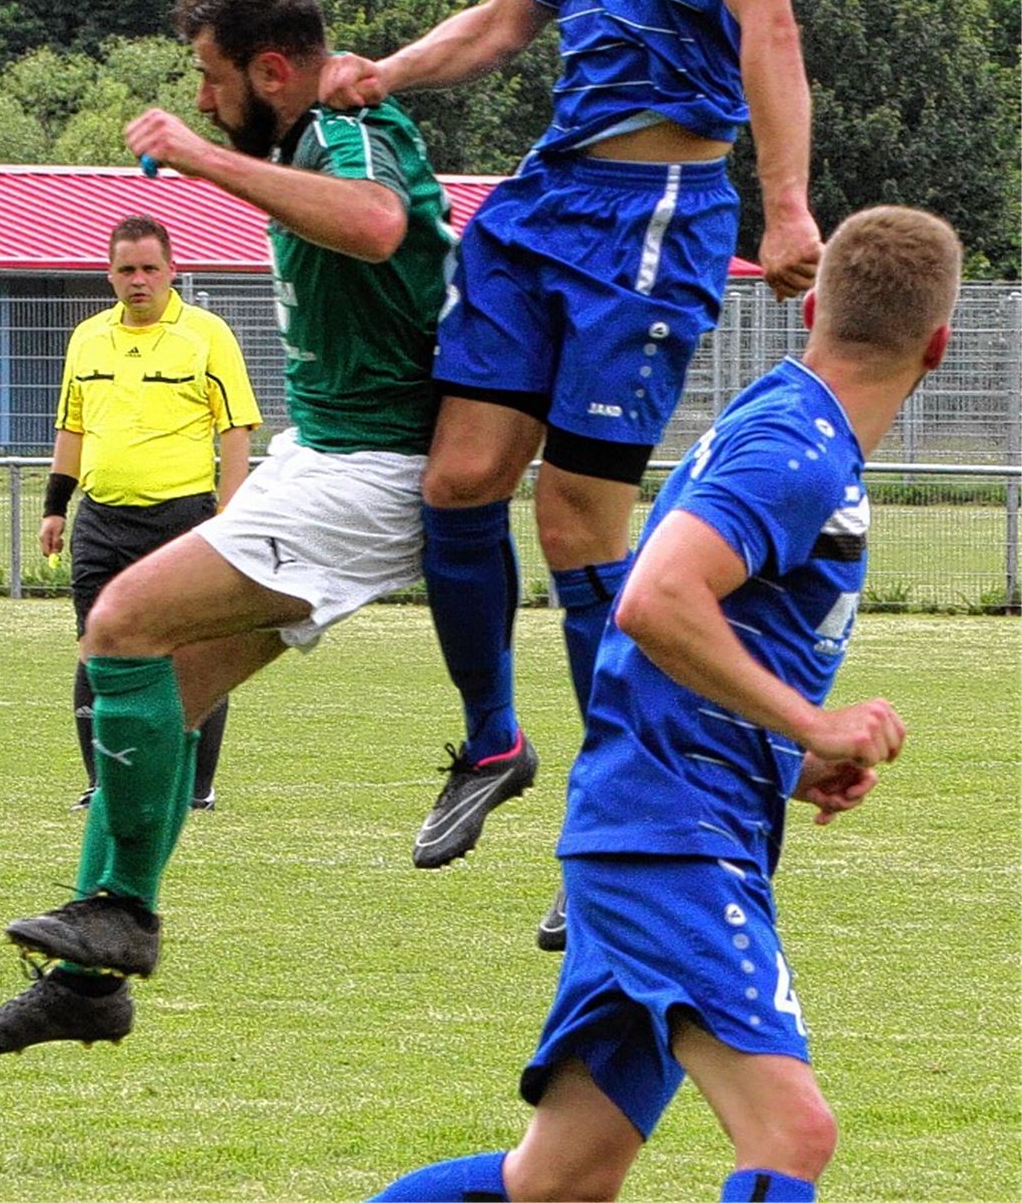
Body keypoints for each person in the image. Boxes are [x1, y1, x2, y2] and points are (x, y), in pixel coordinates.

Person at [321, 0, 822, 949]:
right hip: (545, 209)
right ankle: (494, 743)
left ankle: (623, 820)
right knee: (460, 477)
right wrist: (380, 72)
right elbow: (497, 25)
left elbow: (768, 25)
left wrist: (783, 204)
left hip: (652, 219)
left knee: (582, 522)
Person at [366, 203, 962, 1203]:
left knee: (560, 1178)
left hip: (657, 822)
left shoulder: (790, 425)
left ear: (812, 305)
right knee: (791, 1131)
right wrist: (813, 719)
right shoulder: (797, 448)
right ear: (938, 346)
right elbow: (655, 600)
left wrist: (789, 747)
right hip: (672, 836)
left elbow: (696, 625)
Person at [0, 0, 454, 1058]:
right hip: (328, 459)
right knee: (164, 695)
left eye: (215, 80)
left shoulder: (348, 137)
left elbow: (375, 225)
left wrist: (201, 157)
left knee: (118, 626)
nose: (207, 99)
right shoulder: (303, 110)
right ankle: (85, 984)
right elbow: (271, 58)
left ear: (273, 75)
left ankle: (116, 918)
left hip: (368, 472)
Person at [43, 214, 260, 813]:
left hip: (182, 520)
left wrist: (228, 513)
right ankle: (103, 782)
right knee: (98, 647)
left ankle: (195, 786)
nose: (138, 280)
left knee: (190, 650)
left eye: (149, 269)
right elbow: (73, 427)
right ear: (109, 275)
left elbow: (236, 427)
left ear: (171, 270)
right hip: (100, 520)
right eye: (126, 270)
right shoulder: (87, 338)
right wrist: (54, 508)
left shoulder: (207, 334)